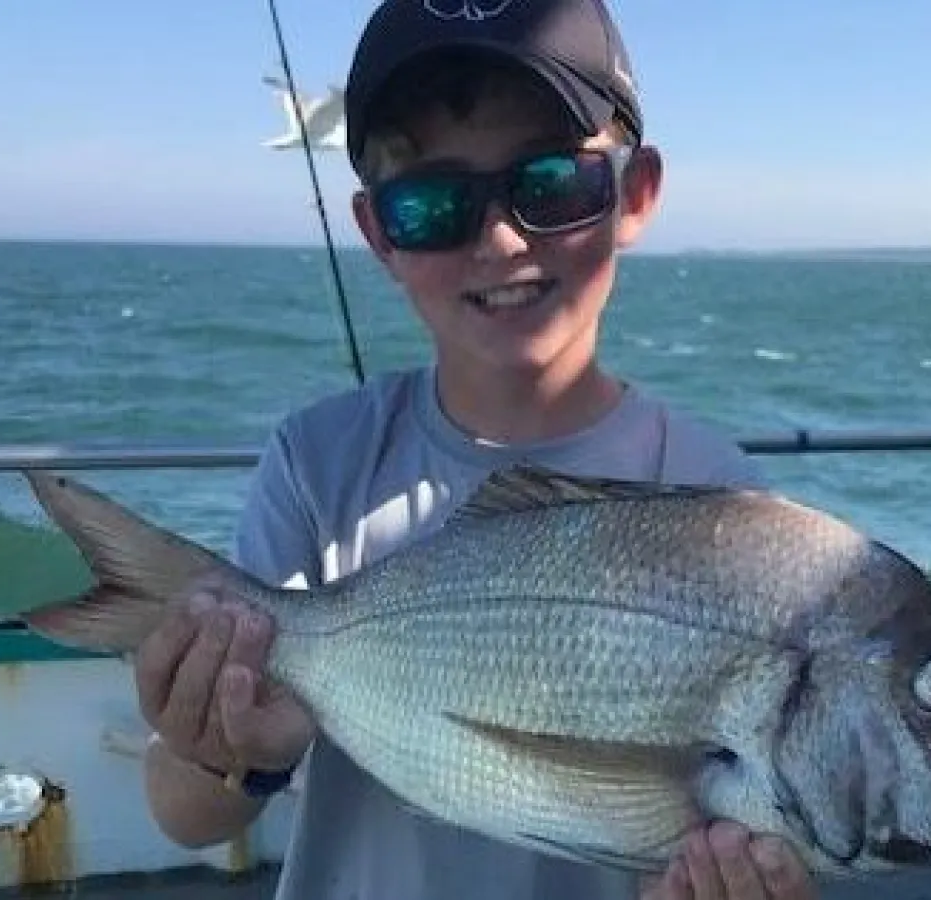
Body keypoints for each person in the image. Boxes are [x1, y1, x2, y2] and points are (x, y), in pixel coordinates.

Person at [135, 1, 819, 898]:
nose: (498, 240)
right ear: (379, 233)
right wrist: (232, 756)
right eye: (431, 204)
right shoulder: (318, 464)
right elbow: (185, 817)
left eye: (552, 185)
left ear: (636, 195)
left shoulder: (727, 508)